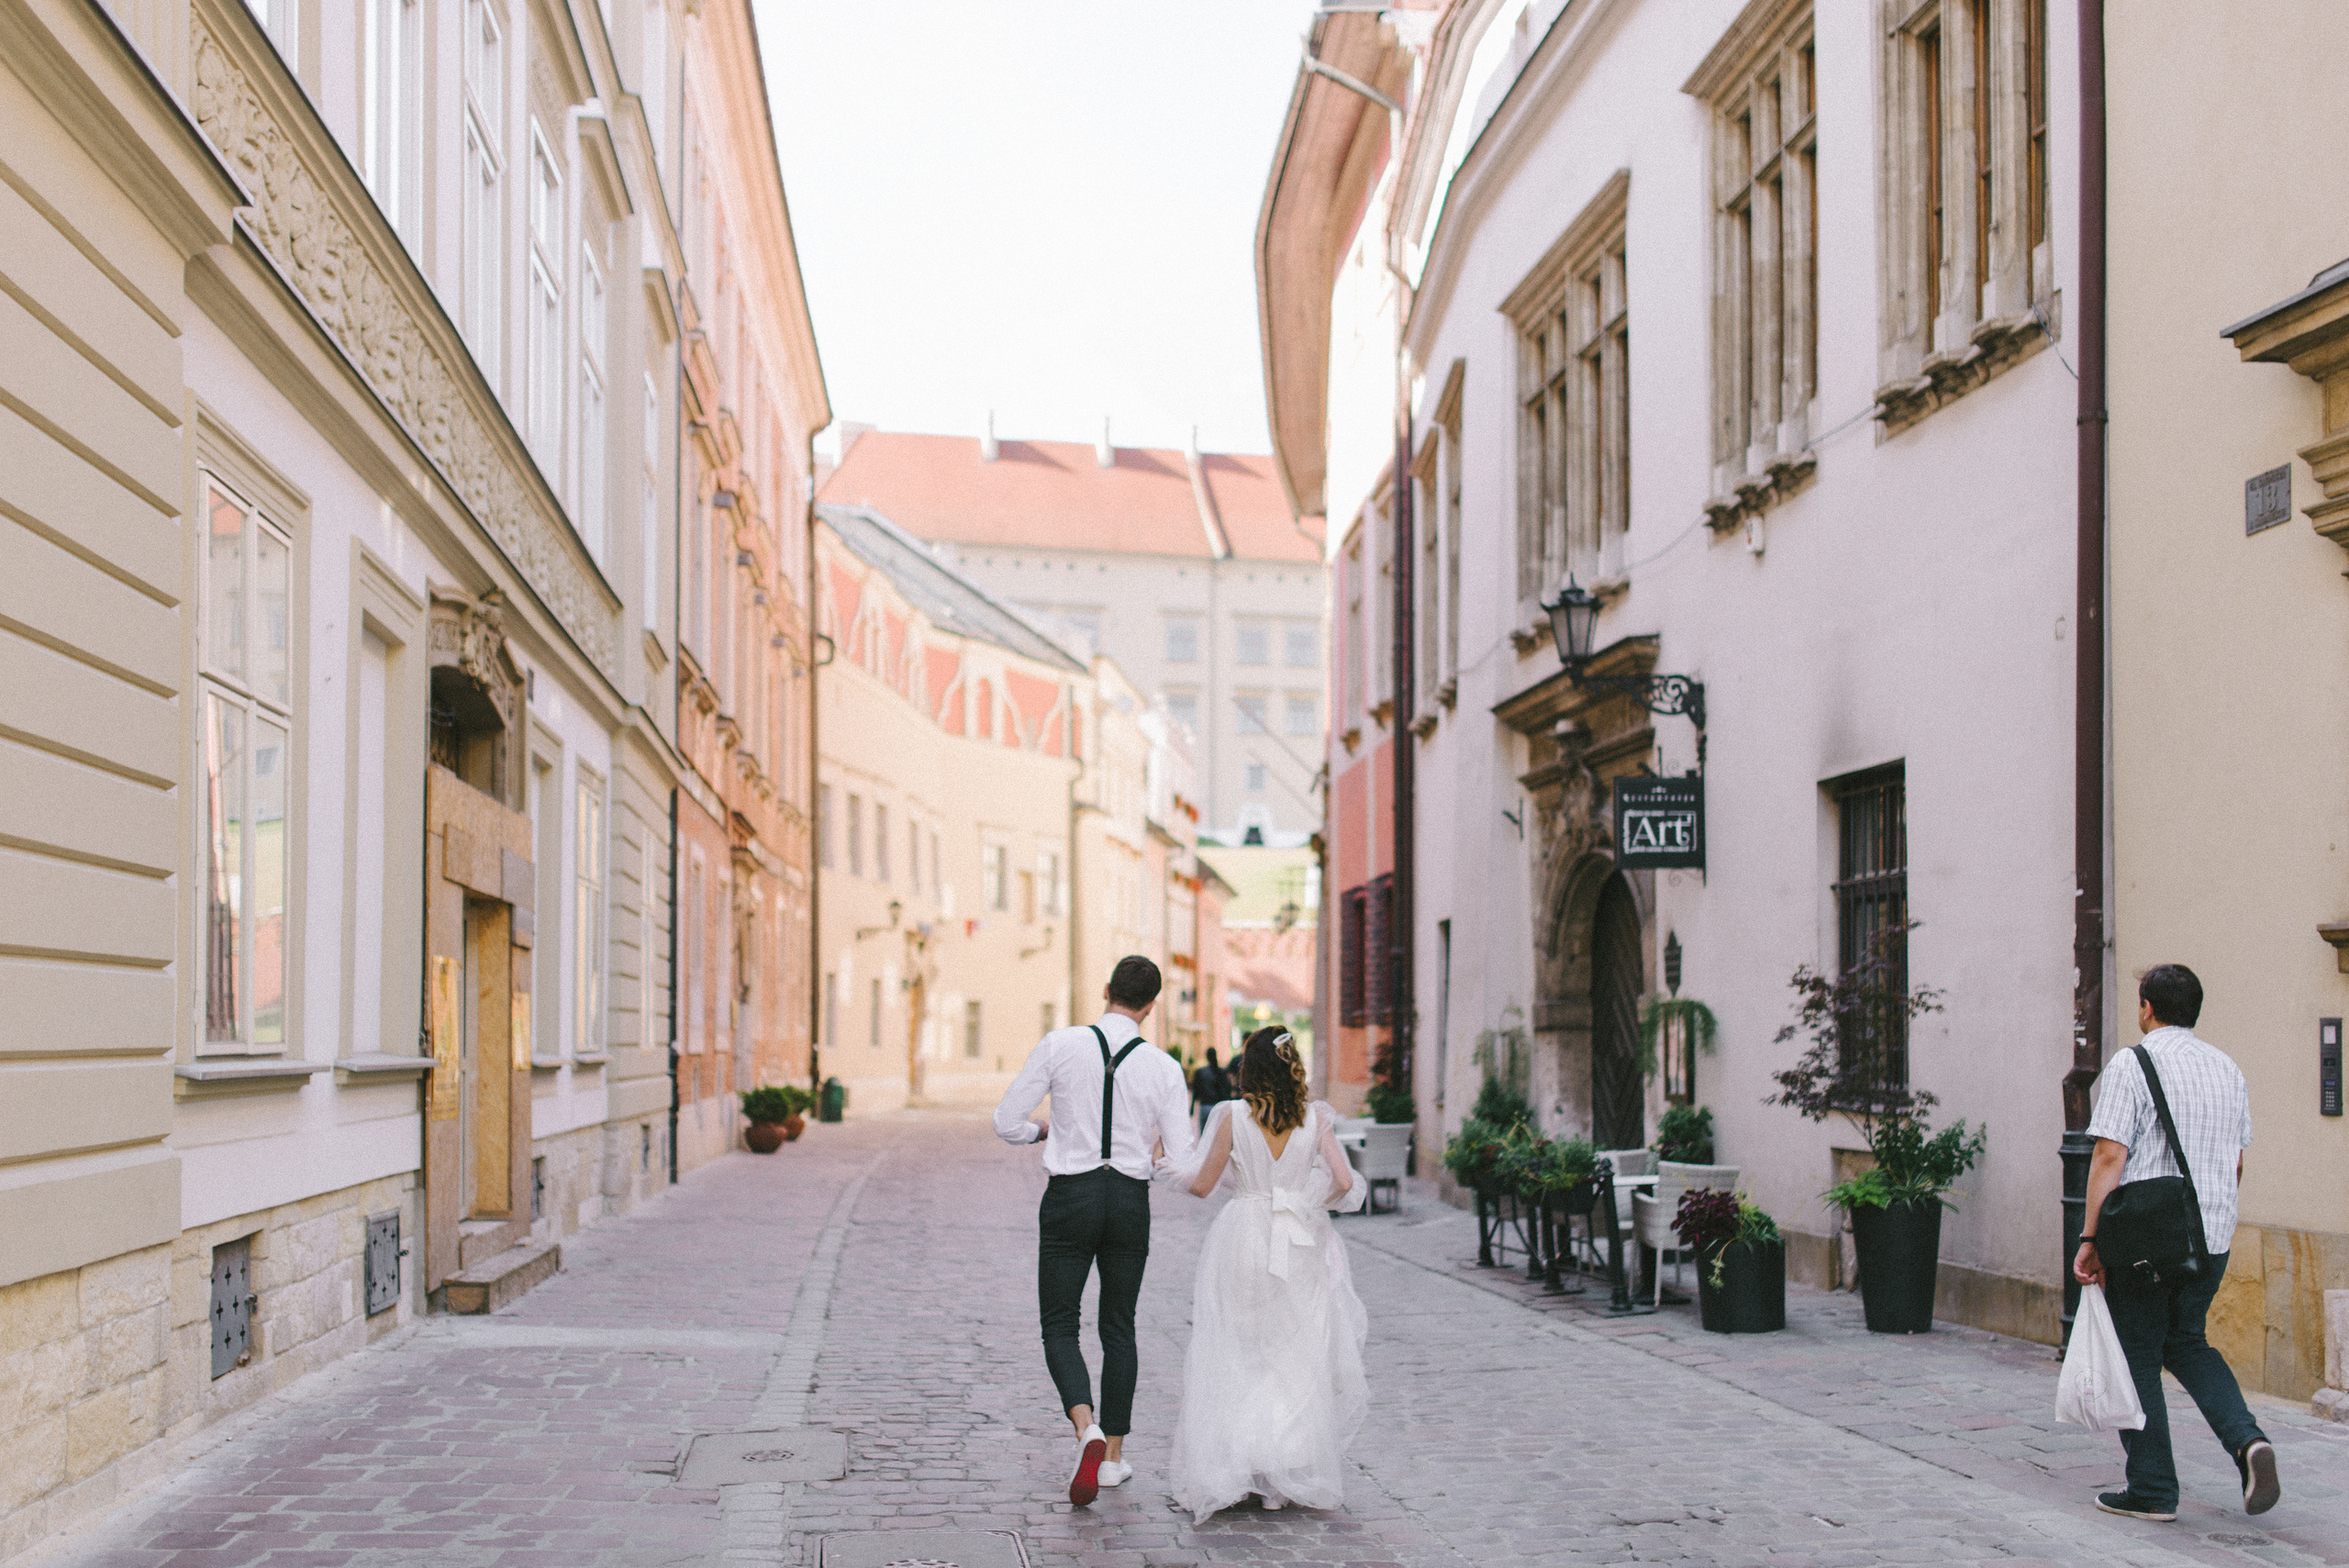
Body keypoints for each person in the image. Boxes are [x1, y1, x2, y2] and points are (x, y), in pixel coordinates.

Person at [2074, 963, 2278, 1522]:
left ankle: (2153, 1489)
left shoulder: (2132, 1063)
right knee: (2187, 1341)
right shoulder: (2227, 1068)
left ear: (2146, 1008)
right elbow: (2235, 1164)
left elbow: (2109, 1155)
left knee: (2136, 1353)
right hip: (2211, 1237)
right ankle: (2247, 1442)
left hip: (2145, 1242)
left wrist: (2090, 1236)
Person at [994, 955, 1195, 1507]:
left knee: (1059, 1323)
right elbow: (1181, 1160)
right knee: (1119, 1326)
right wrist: (1146, 1159)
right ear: (1151, 1006)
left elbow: (1006, 1120)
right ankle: (1113, 1462)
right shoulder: (1164, 1067)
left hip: (1071, 1195)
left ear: (1106, 990)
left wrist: (1043, 1131)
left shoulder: (1061, 1044)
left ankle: (1086, 1429)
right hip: (1128, 1199)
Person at [1164, 1026, 1368, 1522]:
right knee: (1290, 1353)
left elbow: (1203, 1185)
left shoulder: (1232, 1115)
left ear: (1248, 1070)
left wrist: (1167, 1167)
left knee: (1236, 1347)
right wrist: (1305, 1206)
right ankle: (1280, 1477)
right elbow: (1344, 1182)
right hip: (1294, 1236)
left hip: (1242, 1234)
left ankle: (1238, 1468)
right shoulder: (1314, 1118)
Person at [1189, 1047, 1230, 1132]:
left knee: (1204, 1136)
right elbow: (1226, 1091)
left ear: (1207, 1057)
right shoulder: (1221, 1072)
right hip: (1218, 1107)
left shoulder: (1200, 1072)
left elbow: (1195, 1091)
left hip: (1204, 1106)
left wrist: (1192, 1108)